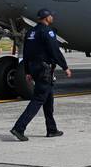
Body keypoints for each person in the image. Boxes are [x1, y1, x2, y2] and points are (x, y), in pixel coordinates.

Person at [10, 9, 71, 141]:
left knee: (48, 100)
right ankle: (19, 128)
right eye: (51, 16)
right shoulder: (47, 31)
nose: (52, 18)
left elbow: (26, 53)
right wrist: (65, 67)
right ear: (46, 18)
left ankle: (52, 129)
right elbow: (55, 50)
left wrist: (27, 71)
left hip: (34, 68)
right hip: (44, 69)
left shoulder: (31, 32)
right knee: (38, 100)